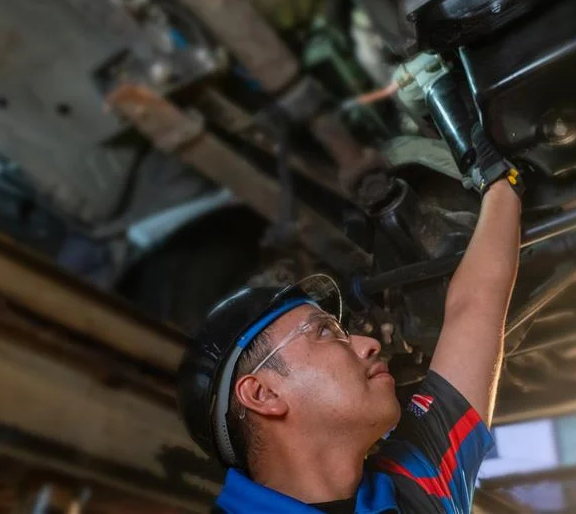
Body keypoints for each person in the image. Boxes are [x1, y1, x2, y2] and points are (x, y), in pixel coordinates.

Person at [177, 165, 522, 513]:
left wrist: (500, 180)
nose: (368, 344)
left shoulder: (418, 484)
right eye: (324, 332)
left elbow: (475, 305)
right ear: (263, 394)